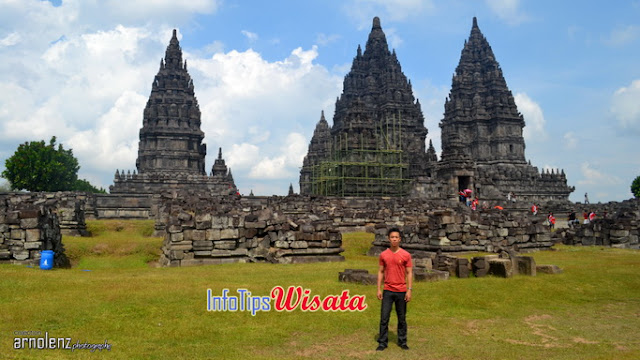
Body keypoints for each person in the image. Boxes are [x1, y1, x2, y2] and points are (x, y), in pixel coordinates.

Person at [377, 228, 413, 351]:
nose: (394, 239)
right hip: (387, 290)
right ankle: (382, 342)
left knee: (401, 318)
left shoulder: (406, 255)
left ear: (400, 239)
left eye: (396, 237)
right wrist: (378, 289)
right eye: (392, 237)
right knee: (384, 318)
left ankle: (402, 341)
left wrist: (409, 289)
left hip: (401, 290)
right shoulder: (383, 255)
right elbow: (381, 272)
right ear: (389, 239)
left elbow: (409, 273)